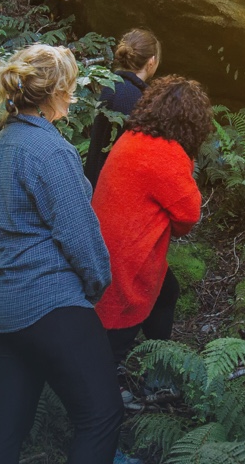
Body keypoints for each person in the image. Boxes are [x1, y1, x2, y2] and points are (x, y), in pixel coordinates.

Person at [0, 44, 120, 464]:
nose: (72, 97)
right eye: (69, 88)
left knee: (4, 426)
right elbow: (80, 235)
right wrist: (96, 287)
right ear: (56, 92)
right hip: (47, 304)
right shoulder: (51, 151)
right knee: (101, 417)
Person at [93, 75, 211, 365]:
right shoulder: (167, 154)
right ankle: (105, 401)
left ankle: (159, 361)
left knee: (167, 291)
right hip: (124, 263)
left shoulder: (134, 136)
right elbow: (188, 216)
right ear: (193, 124)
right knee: (114, 340)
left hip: (99, 250)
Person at [85, 29, 162, 187]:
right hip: (113, 189)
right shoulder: (138, 99)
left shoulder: (111, 86)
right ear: (151, 61)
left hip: (92, 181)